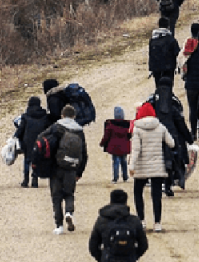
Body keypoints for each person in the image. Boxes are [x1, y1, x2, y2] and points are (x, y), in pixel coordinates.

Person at [128, 102, 174, 232]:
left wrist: (132, 166)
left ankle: (141, 220)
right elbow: (172, 143)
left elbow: (135, 150)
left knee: (138, 192)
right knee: (156, 195)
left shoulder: (137, 129)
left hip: (141, 167)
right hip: (157, 166)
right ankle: (157, 223)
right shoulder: (161, 127)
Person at [43, 104, 88, 235]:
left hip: (55, 167)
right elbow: (84, 153)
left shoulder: (56, 127)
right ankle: (69, 212)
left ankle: (59, 226)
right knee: (69, 194)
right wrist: (79, 172)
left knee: (56, 197)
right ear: (74, 116)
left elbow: (45, 142)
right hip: (72, 167)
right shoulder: (79, 131)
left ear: (62, 115)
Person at [13, 96, 49, 188]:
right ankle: (35, 179)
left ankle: (25, 180)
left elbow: (21, 128)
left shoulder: (25, 116)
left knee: (27, 159)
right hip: (40, 141)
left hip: (27, 141)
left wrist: (15, 136)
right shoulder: (44, 116)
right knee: (37, 160)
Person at [99, 106, 131, 184]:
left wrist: (102, 143)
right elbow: (129, 135)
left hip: (114, 147)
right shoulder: (127, 125)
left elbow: (106, 136)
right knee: (123, 161)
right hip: (124, 146)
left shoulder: (110, 125)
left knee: (116, 162)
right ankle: (125, 177)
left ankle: (115, 178)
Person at [148, 16, 180, 85]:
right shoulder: (171, 39)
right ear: (168, 26)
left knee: (158, 86)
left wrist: (151, 68)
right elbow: (177, 53)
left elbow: (150, 54)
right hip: (169, 67)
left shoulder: (153, 39)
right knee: (168, 86)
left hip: (155, 67)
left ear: (158, 25)